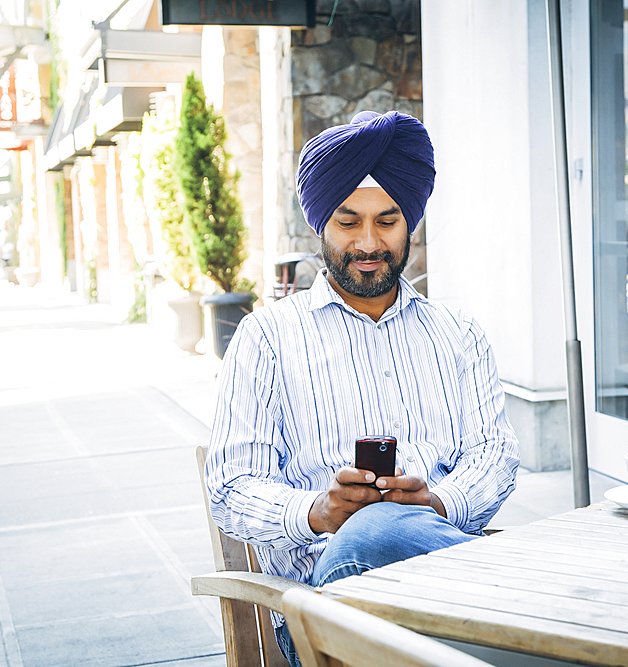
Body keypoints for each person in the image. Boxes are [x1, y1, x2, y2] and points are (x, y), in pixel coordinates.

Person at [205, 110, 520, 667]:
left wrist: (438, 502)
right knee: (371, 531)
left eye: (387, 221)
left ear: (410, 224)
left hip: (452, 597)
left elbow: (494, 456)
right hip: (330, 610)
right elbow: (232, 487)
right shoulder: (267, 338)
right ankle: (537, 589)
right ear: (320, 224)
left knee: (392, 527)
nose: (369, 242)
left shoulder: (459, 334)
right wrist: (319, 511)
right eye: (348, 222)